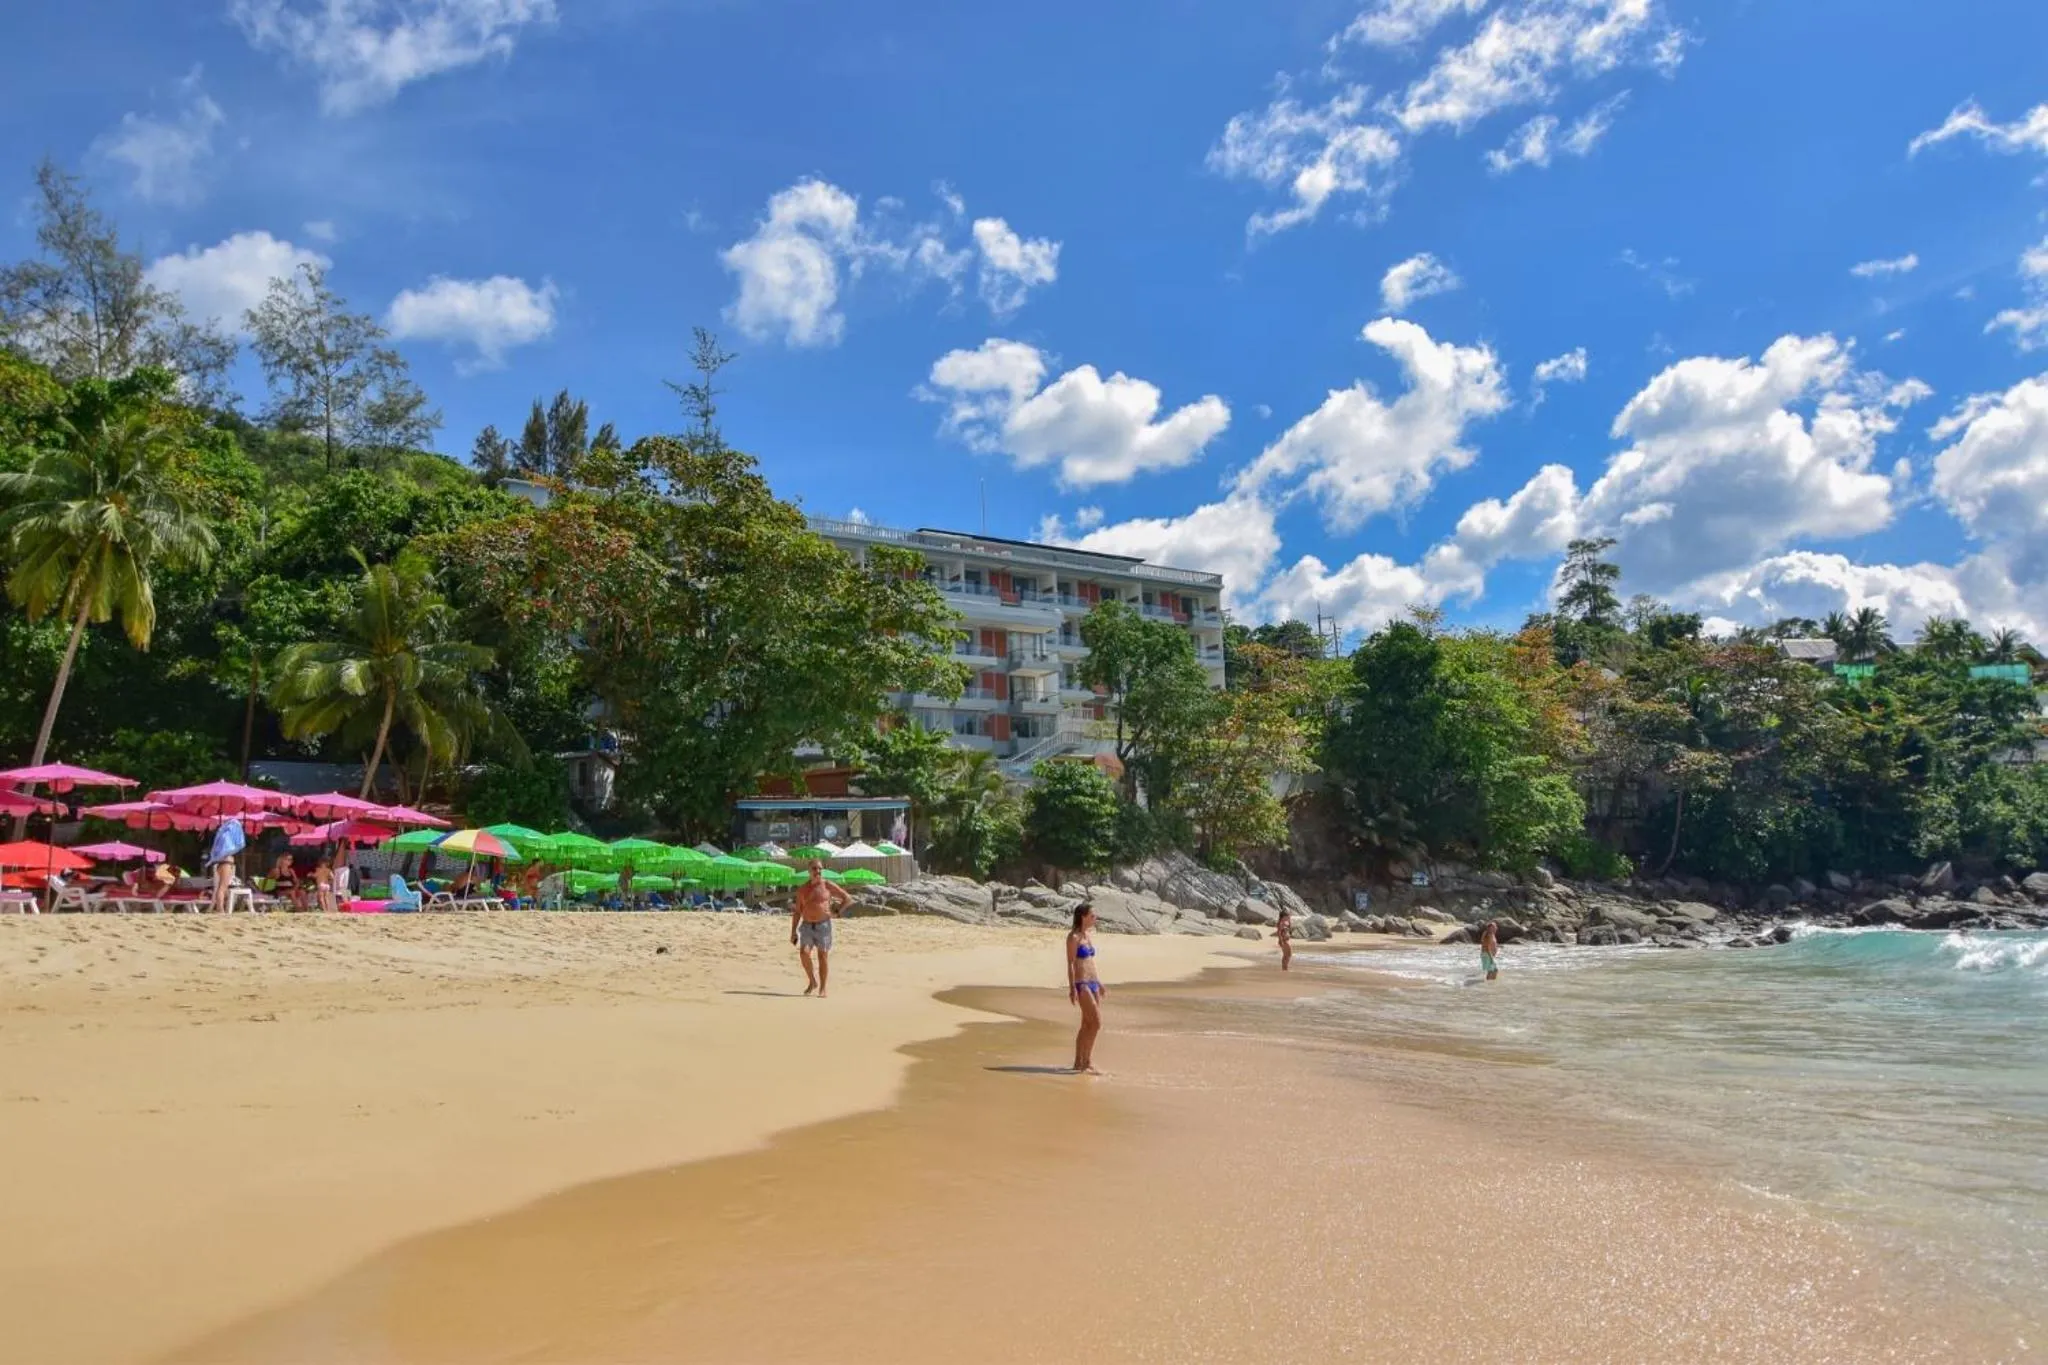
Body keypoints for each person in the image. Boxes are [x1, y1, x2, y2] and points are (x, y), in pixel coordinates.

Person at [790, 859, 851, 996]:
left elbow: (847, 898)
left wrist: (837, 912)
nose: (817, 871)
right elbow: (797, 912)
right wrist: (793, 932)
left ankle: (822, 988)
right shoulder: (803, 889)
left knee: (822, 956)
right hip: (807, 925)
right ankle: (812, 981)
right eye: (814, 869)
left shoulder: (827, 885)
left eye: (820, 869)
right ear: (809, 871)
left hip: (823, 925)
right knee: (804, 953)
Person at [1066, 903, 1105, 1074]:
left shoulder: (1087, 936)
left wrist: (1099, 983)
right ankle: (1086, 1061)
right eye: (1092, 916)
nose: (1095, 918)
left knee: (1086, 1024)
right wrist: (1072, 988)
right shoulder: (1073, 937)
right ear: (1083, 917)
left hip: (1093, 982)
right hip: (1081, 983)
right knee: (1096, 1023)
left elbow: (1090, 961)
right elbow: (1070, 963)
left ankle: (1079, 1062)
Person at [207, 816, 246, 914]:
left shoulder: (223, 835)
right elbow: (229, 849)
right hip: (226, 863)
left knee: (222, 887)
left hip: (222, 864)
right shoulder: (227, 838)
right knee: (222, 887)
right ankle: (220, 909)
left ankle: (220, 908)